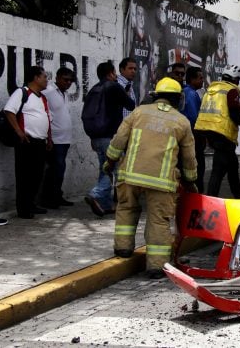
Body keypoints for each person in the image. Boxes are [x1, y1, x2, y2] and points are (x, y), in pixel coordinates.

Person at [103, 77, 198, 279]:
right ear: (177, 99)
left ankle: (123, 249)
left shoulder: (138, 113)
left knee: (126, 210)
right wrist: (190, 181)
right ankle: (156, 266)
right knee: (158, 221)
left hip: (129, 176)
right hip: (161, 182)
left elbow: (119, 140)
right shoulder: (182, 122)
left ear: (155, 96)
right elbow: (189, 157)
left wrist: (109, 162)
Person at [84, 61, 135, 217]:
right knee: (114, 168)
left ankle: (105, 204)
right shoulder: (114, 86)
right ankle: (96, 194)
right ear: (112, 73)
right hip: (110, 136)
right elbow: (131, 105)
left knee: (104, 168)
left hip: (96, 136)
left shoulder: (94, 89)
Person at [195, 64, 240, 198]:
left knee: (233, 164)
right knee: (218, 169)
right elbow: (234, 112)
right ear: (237, 79)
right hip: (222, 133)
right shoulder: (231, 90)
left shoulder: (212, 89)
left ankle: (239, 194)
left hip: (208, 130)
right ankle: (210, 198)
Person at [4, 66, 52, 219]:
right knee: (24, 176)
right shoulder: (22, 93)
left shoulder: (43, 98)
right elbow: (9, 111)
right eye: (44, 76)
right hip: (26, 142)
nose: (46, 80)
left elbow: (47, 119)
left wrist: (49, 138)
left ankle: (31, 204)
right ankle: (23, 209)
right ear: (36, 78)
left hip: (41, 142)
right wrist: (18, 131)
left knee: (37, 175)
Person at [41, 67, 76, 209]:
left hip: (65, 139)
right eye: (65, 79)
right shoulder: (48, 92)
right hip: (54, 139)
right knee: (55, 170)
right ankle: (49, 199)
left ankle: (57, 196)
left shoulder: (64, 93)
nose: (68, 83)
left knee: (59, 169)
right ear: (57, 78)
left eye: (70, 81)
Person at [181, 66, 206, 192]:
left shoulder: (185, 92)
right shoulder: (191, 94)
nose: (202, 80)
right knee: (198, 166)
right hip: (193, 136)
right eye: (200, 78)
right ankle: (198, 194)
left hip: (186, 135)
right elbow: (193, 117)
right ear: (192, 79)